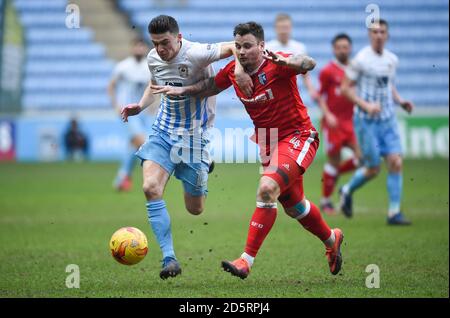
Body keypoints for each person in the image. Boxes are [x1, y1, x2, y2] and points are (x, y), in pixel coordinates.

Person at [152, 22, 344, 279]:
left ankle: (246, 260)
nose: (241, 51)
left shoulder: (277, 63)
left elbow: (307, 63)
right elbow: (210, 86)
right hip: (268, 141)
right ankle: (332, 239)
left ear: (262, 46)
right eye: (238, 46)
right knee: (295, 206)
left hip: (298, 136)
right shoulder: (234, 70)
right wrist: (182, 90)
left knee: (266, 189)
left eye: (248, 46)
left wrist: (289, 64)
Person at [120, 15, 252, 279]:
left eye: (165, 43)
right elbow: (153, 82)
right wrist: (140, 105)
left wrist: (238, 68)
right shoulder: (153, 57)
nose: (160, 49)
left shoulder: (196, 53)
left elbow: (232, 47)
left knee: (195, 209)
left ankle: (205, 163)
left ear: (178, 38)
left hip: (194, 138)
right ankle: (170, 259)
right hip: (163, 132)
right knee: (150, 188)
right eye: (156, 43)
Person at [339, 19, 415, 225]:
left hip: (388, 119)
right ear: (369, 35)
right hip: (366, 121)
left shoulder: (392, 60)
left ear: (387, 35)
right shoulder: (361, 60)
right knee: (373, 168)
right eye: (375, 32)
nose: (379, 35)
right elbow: (345, 88)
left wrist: (401, 101)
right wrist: (365, 105)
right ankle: (346, 190)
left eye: (382, 32)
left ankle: (394, 212)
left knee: (396, 162)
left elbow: (388, 85)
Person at [317, 34, 360, 215]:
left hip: (351, 122)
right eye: (339, 47)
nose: (343, 50)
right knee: (333, 161)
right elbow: (320, 95)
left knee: (363, 159)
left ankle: (335, 177)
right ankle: (326, 201)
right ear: (334, 49)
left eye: (345, 47)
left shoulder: (356, 69)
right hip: (333, 123)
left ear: (350, 48)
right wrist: (327, 115)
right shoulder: (328, 71)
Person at [108, 38, 152, 191]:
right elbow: (111, 86)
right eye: (137, 46)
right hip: (127, 112)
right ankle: (151, 176)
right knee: (142, 142)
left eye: (142, 46)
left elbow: (153, 87)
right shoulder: (123, 66)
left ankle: (122, 178)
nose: (139, 49)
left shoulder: (149, 66)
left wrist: (153, 106)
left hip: (142, 113)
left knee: (133, 147)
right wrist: (115, 105)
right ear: (132, 48)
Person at [266, 13, 319, 103]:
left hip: (293, 92)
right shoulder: (268, 48)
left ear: (291, 28)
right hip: (274, 91)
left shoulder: (299, 47)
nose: (283, 31)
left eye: (286, 28)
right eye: (281, 28)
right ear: (275, 29)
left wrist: (311, 90)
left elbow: (305, 74)